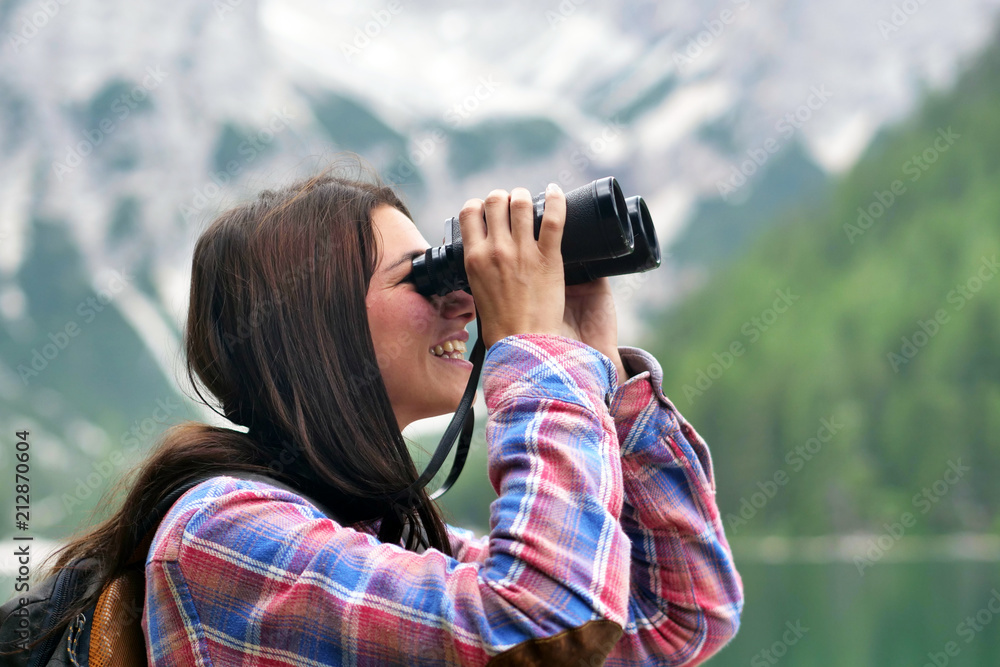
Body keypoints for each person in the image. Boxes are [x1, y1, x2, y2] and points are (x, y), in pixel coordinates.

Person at [46, 168, 743, 665]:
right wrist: (539, 361)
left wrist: (602, 374)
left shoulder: (389, 536)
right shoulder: (224, 533)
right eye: (424, 276)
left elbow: (679, 616)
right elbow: (541, 619)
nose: (464, 302)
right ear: (317, 326)